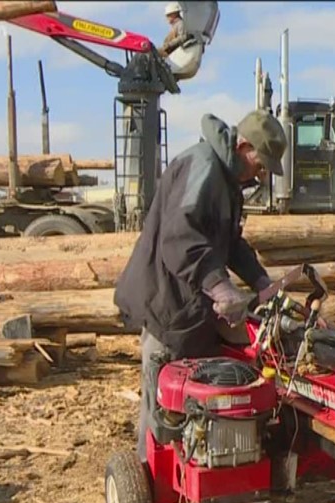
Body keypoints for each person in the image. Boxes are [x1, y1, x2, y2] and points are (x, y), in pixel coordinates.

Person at [115, 110, 287, 468]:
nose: (261, 173)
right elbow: (180, 240)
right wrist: (220, 289)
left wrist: (261, 281)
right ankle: (152, 500)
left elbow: (231, 242)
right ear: (243, 146)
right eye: (260, 163)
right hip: (166, 303)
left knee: (201, 400)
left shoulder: (228, 179)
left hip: (191, 307)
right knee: (164, 408)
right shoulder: (203, 166)